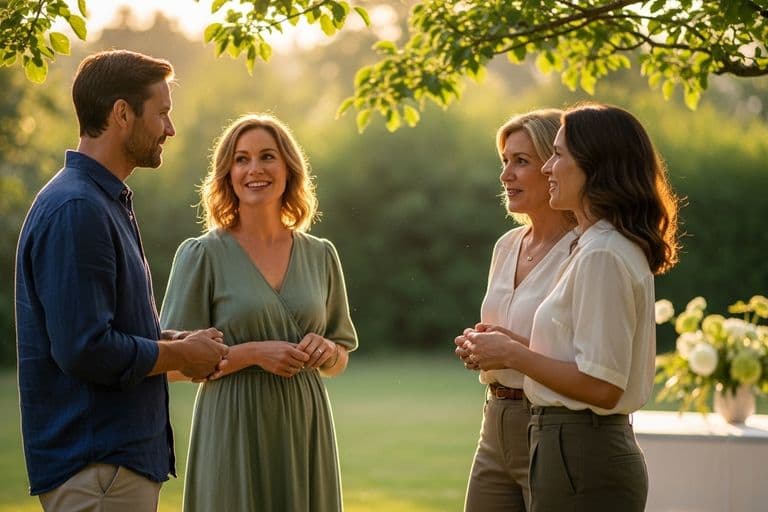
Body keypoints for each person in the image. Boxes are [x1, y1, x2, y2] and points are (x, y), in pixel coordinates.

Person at [15, 50, 229, 512]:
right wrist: (178, 354)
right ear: (122, 114)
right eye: (163, 114)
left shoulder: (99, 202)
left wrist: (177, 342)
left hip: (109, 469)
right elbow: (84, 348)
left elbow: (106, 331)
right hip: (97, 469)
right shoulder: (78, 209)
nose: (169, 129)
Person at [463, 103, 680, 511]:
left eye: (557, 156)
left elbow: (602, 384)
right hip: (553, 438)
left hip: (580, 444)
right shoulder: (594, 245)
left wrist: (513, 353)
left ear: (595, 166)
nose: (548, 170)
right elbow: (577, 351)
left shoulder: (602, 253)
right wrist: (508, 343)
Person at [159, 113, 358, 512]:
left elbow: (339, 359)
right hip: (232, 423)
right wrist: (251, 354)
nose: (254, 169)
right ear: (227, 174)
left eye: (267, 156)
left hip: (305, 422)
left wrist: (327, 351)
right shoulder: (202, 255)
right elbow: (171, 365)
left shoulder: (321, 254)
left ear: (288, 168)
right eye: (241, 159)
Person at [453, 109, 576, 512]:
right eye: (505, 162)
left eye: (520, 162)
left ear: (554, 165)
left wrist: (509, 351)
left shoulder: (584, 250)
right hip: (495, 420)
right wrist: (481, 346)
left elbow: (584, 361)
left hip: (551, 423)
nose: (506, 175)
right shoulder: (506, 244)